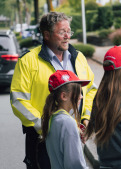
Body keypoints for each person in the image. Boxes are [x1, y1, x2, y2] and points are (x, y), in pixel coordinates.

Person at [10, 12, 97, 169]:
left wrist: (85, 118)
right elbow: (18, 100)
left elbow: (90, 90)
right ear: (47, 35)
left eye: (69, 31)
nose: (67, 36)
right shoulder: (28, 61)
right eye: (62, 32)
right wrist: (45, 126)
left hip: (73, 135)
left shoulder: (79, 58)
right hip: (41, 140)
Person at [41, 70, 90, 169]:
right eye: (78, 92)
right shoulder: (67, 123)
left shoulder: (53, 118)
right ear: (64, 96)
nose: (81, 96)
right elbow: (75, 165)